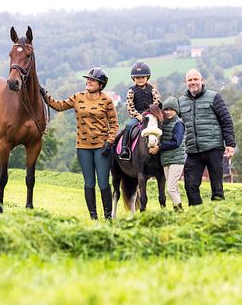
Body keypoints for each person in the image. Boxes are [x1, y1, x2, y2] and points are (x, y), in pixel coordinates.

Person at [39, 67, 119, 220]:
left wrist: (109, 143)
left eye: (92, 80)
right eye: (87, 79)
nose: (88, 81)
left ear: (101, 84)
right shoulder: (78, 97)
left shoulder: (107, 100)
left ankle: (108, 216)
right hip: (83, 148)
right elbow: (59, 106)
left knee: (103, 183)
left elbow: (114, 124)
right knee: (89, 183)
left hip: (102, 148)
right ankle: (93, 217)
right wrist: (44, 94)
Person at [178, 69, 235, 205]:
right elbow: (171, 119)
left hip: (213, 148)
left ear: (201, 80)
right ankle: (198, 215)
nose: (193, 82)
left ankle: (217, 215)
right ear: (186, 83)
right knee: (190, 186)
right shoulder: (181, 101)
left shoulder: (214, 97)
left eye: (195, 79)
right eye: (190, 80)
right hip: (193, 151)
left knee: (217, 188)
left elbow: (226, 121)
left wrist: (230, 144)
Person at [149, 95, 186, 211]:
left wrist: (159, 147)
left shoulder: (178, 124)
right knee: (173, 187)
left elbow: (176, 142)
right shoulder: (163, 124)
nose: (168, 112)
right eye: (166, 109)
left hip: (176, 160)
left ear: (176, 111)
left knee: (170, 188)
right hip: (166, 160)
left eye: (172, 110)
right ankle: (179, 210)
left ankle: (179, 211)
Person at [119, 61, 161, 160]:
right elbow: (130, 107)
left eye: (143, 77)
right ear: (133, 78)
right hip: (137, 116)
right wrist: (139, 116)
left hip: (151, 115)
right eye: (138, 78)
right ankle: (125, 149)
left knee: (161, 126)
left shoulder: (152, 89)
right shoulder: (131, 90)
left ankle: (161, 146)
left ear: (147, 77)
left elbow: (156, 103)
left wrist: (152, 114)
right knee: (129, 126)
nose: (140, 79)